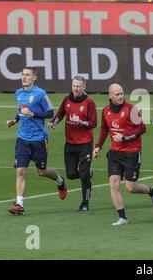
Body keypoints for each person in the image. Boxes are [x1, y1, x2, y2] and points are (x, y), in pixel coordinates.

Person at [93, 84, 153, 226]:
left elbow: (142, 128)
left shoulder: (131, 109)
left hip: (132, 152)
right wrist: (98, 146)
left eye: (122, 93)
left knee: (131, 187)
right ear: (110, 95)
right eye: (117, 94)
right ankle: (122, 217)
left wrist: (124, 137)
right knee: (113, 183)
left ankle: (151, 191)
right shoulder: (105, 111)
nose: (121, 96)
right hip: (115, 153)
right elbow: (104, 129)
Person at [6, 67, 67, 215]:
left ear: (34, 78)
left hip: (38, 139)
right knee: (21, 171)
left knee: (42, 171)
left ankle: (60, 181)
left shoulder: (40, 94)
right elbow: (21, 111)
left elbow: (50, 112)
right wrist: (15, 120)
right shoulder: (19, 93)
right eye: (23, 75)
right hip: (22, 138)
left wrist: (33, 114)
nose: (24, 77)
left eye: (27, 75)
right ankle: (19, 204)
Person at [48, 76, 97, 212]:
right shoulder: (67, 99)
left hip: (85, 143)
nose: (76, 88)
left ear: (84, 87)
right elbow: (61, 113)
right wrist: (54, 122)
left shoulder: (89, 103)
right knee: (70, 174)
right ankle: (87, 173)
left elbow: (93, 123)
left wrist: (81, 122)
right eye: (74, 85)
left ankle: (85, 202)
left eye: (78, 86)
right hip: (70, 143)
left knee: (84, 174)